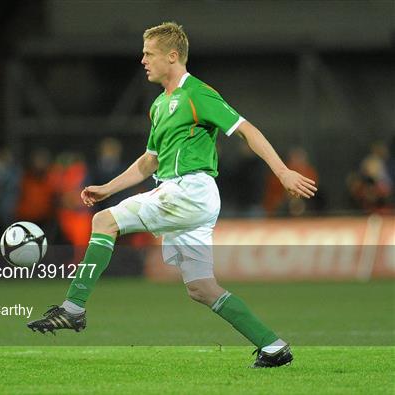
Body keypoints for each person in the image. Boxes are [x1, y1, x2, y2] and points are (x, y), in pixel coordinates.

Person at [27, 22, 317, 368]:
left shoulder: (196, 94)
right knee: (202, 289)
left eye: (149, 53)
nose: (143, 60)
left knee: (105, 221)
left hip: (189, 191)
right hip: (181, 195)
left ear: (173, 56)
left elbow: (246, 130)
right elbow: (149, 161)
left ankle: (73, 308)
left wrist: (282, 171)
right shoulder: (159, 106)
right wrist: (108, 187)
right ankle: (274, 347)